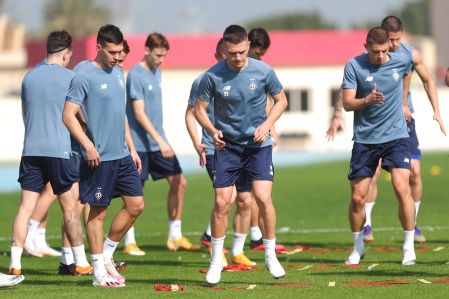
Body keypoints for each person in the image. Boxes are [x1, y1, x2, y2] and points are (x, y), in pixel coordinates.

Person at [195, 24, 287, 285]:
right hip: (228, 147)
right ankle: (216, 260)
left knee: (262, 198)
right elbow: (199, 109)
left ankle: (270, 255)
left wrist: (267, 125)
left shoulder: (264, 71)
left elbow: (281, 101)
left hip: (258, 146)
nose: (237, 57)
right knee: (223, 202)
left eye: (241, 52)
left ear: (248, 46)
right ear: (224, 48)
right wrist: (211, 130)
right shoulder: (212, 76)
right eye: (232, 52)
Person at [63, 24, 145, 288]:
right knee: (98, 213)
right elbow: (68, 114)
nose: (118, 57)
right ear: (98, 47)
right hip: (97, 158)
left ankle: (107, 255)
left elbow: (120, 114)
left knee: (136, 205)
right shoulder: (82, 74)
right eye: (113, 52)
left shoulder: (120, 72)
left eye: (121, 52)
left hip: (121, 155)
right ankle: (98, 272)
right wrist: (87, 145)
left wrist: (131, 148)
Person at [10, 30, 91, 276]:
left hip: (31, 150)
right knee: (71, 207)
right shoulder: (70, 77)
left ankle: (15, 265)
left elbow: (26, 113)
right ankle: (80, 261)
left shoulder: (29, 77)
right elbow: (80, 117)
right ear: (66, 53)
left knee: (25, 207)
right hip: (60, 150)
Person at [362, 16, 446, 243]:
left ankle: (413, 224)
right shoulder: (371, 56)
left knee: (415, 174)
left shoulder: (410, 54)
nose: (394, 44)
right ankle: (367, 224)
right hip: (376, 124)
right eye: (391, 40)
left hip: (404, 123)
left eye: (398, 39)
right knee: (373, 174)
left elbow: (429, 80)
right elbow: (349, 85)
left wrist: (436, 110)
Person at [342, 27, 417, 266]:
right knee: (357, 197)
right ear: (366, 47)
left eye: (385, 51)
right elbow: (346, 103)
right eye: (376, 52)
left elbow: (409, 72)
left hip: (396, 137)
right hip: (365, 140)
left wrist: (404, 101)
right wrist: (367, 100)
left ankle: (408, 247)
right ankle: (357, 247)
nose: (381, 56)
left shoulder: (401, 60)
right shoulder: (353, 65)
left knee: (401, 188)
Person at [185, 38, 255, 267]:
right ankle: (217, 250)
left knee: (245, 200)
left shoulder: (246, 77)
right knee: (227, 198)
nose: (234, 57)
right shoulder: (204, 80)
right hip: (215, 149)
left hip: (242, 147)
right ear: (221, 53)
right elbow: (190, 113)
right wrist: (197, 142)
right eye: (228, 53)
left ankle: (237, 251)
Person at [126, 32, 198, 252]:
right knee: (136, 193)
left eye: (164, 56)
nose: (160, 60)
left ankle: (174, 236)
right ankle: (129, 242)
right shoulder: (135, 75)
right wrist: (159, 138)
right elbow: (138, 113)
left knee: (180, 182)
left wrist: (161, 139)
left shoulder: (157, 72)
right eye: (158, 55)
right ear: (147, 50)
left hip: (159, 142)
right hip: (139, 144)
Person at [246, 27, 285, 253]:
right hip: (238, 140)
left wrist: (272, 127)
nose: (259, 58)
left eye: (262, 54)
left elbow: (270, 100)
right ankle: (212, 233)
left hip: (260, 136)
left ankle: (256, 235)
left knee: (256, 191)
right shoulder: (233, 69)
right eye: (257, 53)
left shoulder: (262, 71)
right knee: (234, 195)